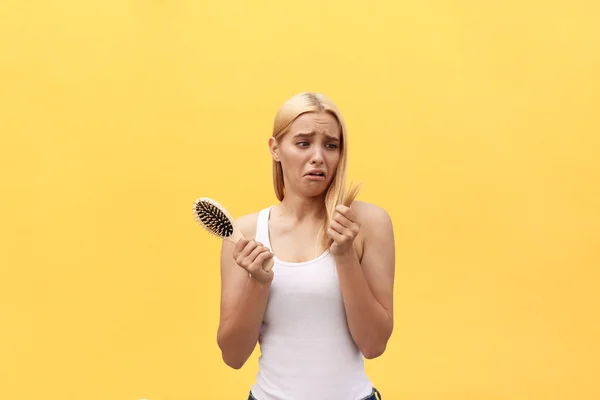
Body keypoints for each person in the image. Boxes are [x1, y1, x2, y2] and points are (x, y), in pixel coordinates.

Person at [217, 92, 395, 400]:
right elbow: (233, 356)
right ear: (275, 149)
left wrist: (345, 256)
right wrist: (258, 283)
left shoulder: (368, 223)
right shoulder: (245, 233)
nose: (318, 157)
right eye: (303, 143)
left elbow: (374, 344)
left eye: (331, 145)